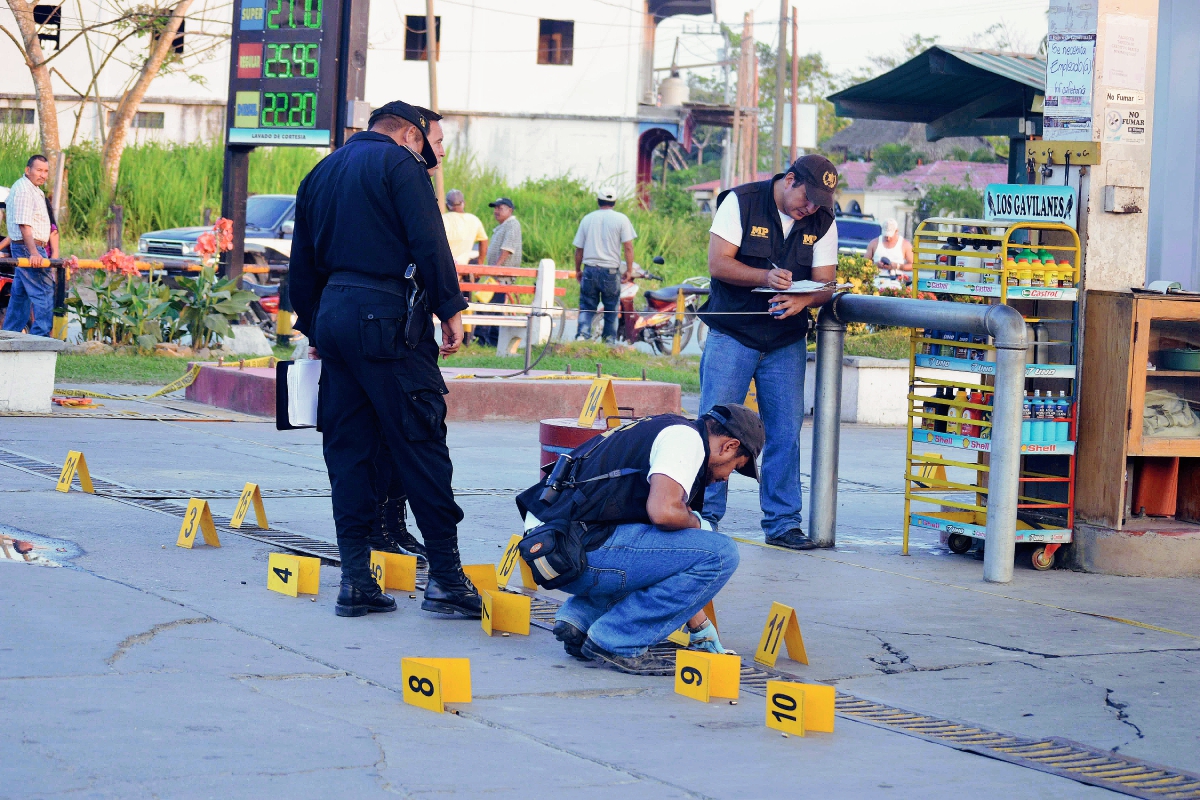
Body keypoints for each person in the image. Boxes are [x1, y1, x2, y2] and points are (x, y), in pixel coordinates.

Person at [289, 99, 481, 619]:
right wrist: (450, 308)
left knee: (348, 451)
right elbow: (429, 241)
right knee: (420, 441)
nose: (436, 155)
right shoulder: (401, 164)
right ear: (410, 136)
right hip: (386, 321)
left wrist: (312, 326)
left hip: (333, 318)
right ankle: (445, 578)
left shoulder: (320, 171)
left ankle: (356, 580)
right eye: (435, 144)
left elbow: (301, 263)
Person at [516, 404, 763, 675]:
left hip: (554, 546)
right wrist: (699, 524)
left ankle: (580, 620)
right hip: (571, 550)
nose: (725, 478)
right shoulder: (686, 440)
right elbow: (664, 512)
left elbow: (663, 558)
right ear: (729, 446)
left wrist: (699, 626)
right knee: (721, 553)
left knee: (670, 546)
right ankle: (616, 641)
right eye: (735, 468)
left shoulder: (662, 427)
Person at [697, 154, 840, 551]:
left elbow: (826, 283)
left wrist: (804, 301)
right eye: (806, 198)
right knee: (714, 427)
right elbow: (718, 263)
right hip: (733, 333)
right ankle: (703, 518)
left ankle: (782, 524)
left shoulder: (823, 220)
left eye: (818, 203)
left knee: (785, 433)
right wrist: (763, 276)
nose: (809, 208)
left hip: (785, 341)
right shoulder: (741, 202)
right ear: (789, 179)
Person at [573, 191, 636, 343]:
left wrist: (578, 270)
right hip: (610, 271)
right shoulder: (621, 219)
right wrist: (629, 270)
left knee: (587, 305)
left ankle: (582, 336)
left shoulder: (587, 219)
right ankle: (608, 341)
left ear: (598, 201)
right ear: (615, 202)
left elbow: (579, 249)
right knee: (611, 308)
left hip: (590, 269)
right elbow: (628, 247)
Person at [2, 155, 54, 337]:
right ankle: (40, 340)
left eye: (46, 171)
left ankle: (8, 336)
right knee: (44, 291)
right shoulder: (24, 190)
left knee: (20, 296)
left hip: (28, 246)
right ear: (27, 170)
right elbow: (24, 224)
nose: (43, 175)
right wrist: (34, 253)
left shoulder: (33, 189)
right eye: (39, 170)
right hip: (29, 247)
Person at [442, 189, 488, 266]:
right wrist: (480, 262)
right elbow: (484, 241)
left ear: (447, 205)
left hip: (444, 265)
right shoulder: (474, 220)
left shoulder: (441, 219)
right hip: (463, 267)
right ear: (464, 203)